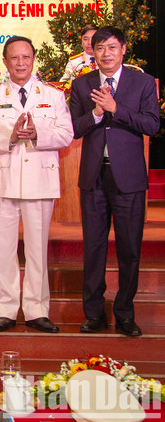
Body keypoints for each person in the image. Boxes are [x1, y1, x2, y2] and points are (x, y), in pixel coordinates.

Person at [0, 36, 73, 333]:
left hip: (40, 181)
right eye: (14, 58)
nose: (21, 63)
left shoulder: (53, 95)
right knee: (4, 249)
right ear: (5, 62)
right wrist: (12, 137)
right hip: (4, 180)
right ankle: (6, 309)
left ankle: (36, 310)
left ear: (34, 60)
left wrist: (36, 133)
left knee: (36, 249)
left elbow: (66, 135)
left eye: (26, 57)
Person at [69, 26, 159, 337]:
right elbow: (73, 129)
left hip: (129, 178)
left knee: (129, 248)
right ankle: (93, 314)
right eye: (99, 48)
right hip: (94, 176)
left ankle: (124, 314)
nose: (106, 53)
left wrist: (116, 109)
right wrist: (95, 114)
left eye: (111, 47)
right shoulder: (82, 85)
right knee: (93, 248)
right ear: (91, 52)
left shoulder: (143, 82)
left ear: (123, 49)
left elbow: (151, 124)